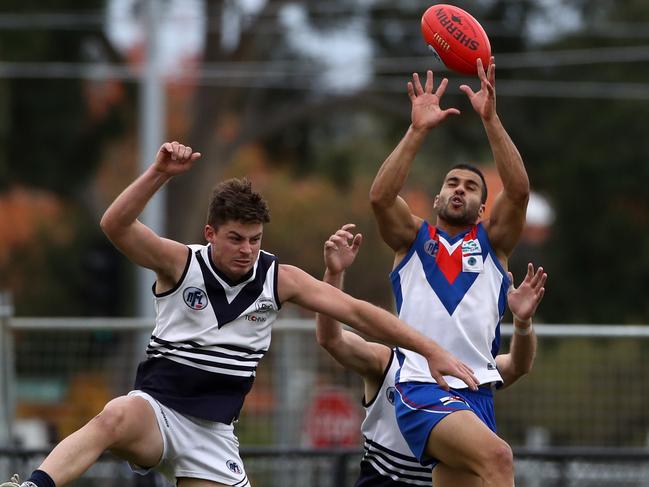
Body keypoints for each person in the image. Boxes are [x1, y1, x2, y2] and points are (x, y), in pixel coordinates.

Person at [2, 141, 479, 487]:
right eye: (235, 239)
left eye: (255, 239)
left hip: (214, 437)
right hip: (160, 414)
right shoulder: (180, 262)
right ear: (211, 233)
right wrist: (159, 173)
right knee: (115, 414)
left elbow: (357, 312)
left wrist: (430, 350)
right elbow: (115, 225)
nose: (247, 250)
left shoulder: (279, 279)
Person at [368, 58, 533, 486]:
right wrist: (417, 130)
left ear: (482, 207)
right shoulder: (412, 239)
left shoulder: (493, 245)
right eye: (451, 183)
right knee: (499, 457)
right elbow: (382, 198)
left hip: (478, 397)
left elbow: (517, 191)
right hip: (424, 386)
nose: (458, 188)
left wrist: (491, 120)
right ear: (438, 197)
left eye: (470, 186)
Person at [316, 224, 546, 487]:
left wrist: (522, 322)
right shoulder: (386, 363)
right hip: (381, 481)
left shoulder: (468, 372)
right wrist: (334, 273)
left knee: (492, 461)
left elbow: (518, 365)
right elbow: (331, 339)